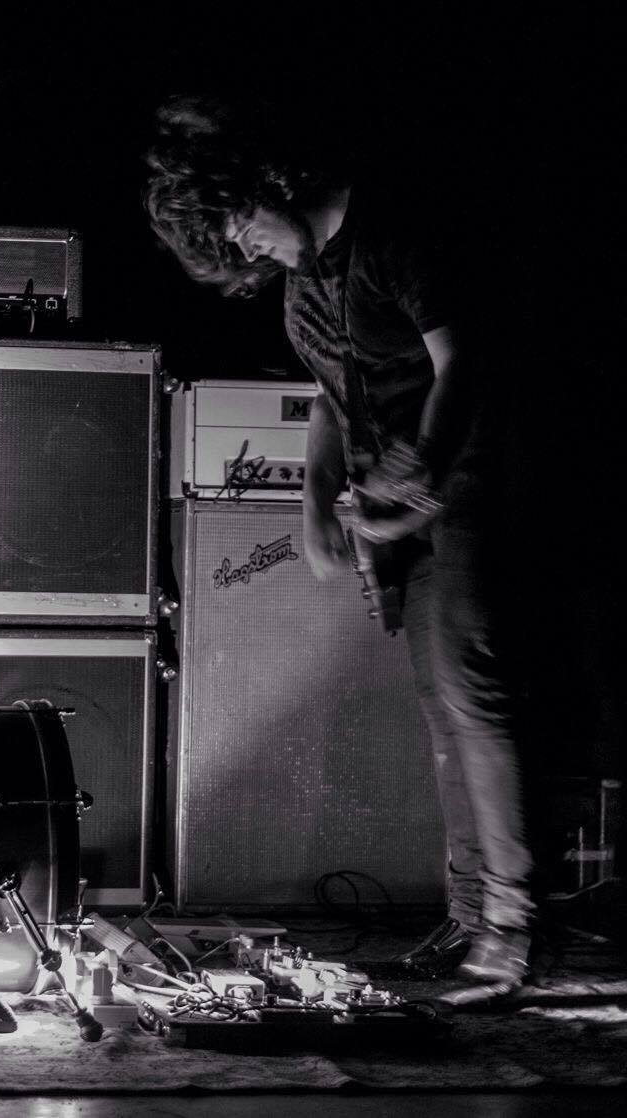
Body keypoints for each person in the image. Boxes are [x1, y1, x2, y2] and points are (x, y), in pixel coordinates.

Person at [144, 96, 537, 1000]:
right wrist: (316, 500)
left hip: (466, 484)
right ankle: (469, 917)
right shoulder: (304, 284)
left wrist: (423, 468)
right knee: (442, 714)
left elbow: (465, 362)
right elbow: (330, 395)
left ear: (265, 181)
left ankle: (512, 927)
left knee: (473, 699)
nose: (246, 248)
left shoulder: (394, 234)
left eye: (242, 224)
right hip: (399, 508)